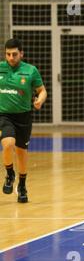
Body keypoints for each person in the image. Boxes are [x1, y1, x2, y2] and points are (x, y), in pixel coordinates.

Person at [0, 38, 47, 203]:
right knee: (8, 144)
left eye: (14, 54)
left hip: (24, 116)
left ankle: (22, 185)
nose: (11, 57)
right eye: (8, 54)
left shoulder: (30, 70)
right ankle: (9, 173)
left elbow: (42, 91)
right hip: (4, 116)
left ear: (21, 53)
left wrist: (40, 100)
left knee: (21, 152)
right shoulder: (0, 68)